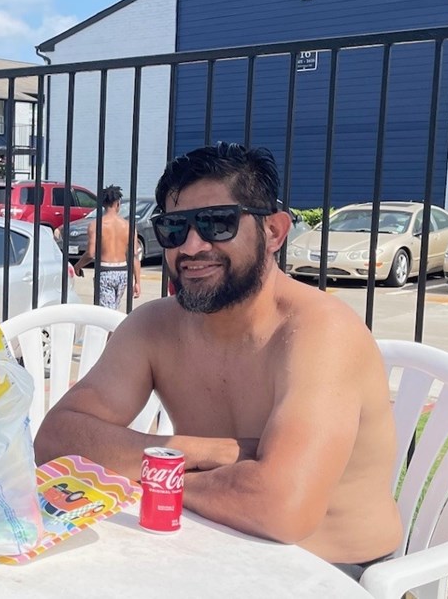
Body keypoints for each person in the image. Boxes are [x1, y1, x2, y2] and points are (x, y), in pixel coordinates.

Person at [34, 143, 402, 573]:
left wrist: (156, 475)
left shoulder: (320, 333)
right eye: (174, 229)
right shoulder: (155, 326)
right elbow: (57, 441)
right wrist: (206, 451)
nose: (191, 246)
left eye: (217, 223)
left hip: (333, 572)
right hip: (204, 546)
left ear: (274, 232)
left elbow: (281, 507)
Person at [72, 185, 141, 309]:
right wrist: (137, 282)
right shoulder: (128, 226)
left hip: (105, 271)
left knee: (105, 313)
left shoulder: (96, 225)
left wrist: (77, 266)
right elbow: (134, 255)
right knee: (114, 309)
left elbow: (90, 253)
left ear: (103, 204)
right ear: (118, 203)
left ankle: (111, 329)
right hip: (123, 271)